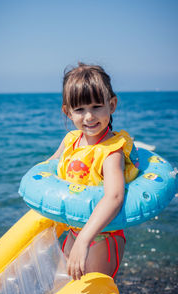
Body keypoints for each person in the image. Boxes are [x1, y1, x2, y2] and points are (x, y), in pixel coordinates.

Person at [49, 63, 139, 281]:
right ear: (67, 112)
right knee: (71, 287)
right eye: (80, 110)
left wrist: (83, 241)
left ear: (112, 104)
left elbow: (114, 196)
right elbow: (48, 169)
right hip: (74, 232)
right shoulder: (71, 141)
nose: (89, 117)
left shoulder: (111, 151)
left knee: (92, 291)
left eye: (97, 106)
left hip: (101, 238)